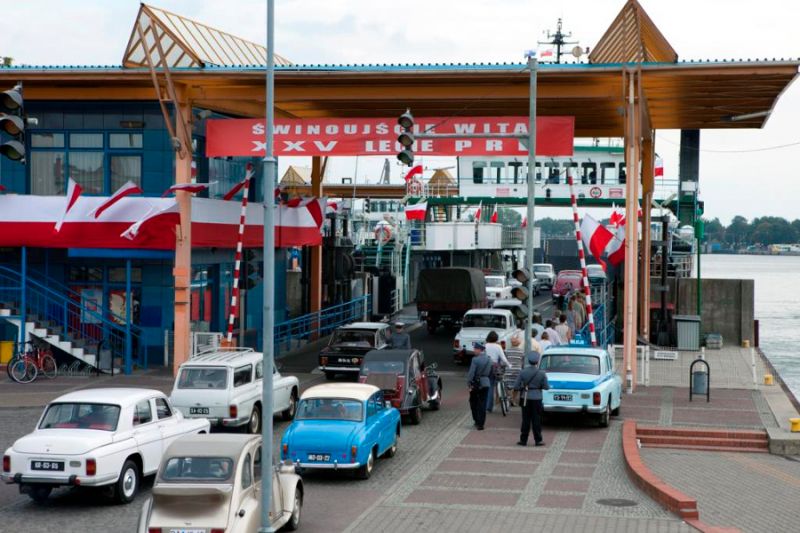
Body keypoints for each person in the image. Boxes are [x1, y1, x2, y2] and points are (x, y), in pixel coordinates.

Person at [513, 351, 550, 447]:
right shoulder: (542, 373)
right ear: (537, 361)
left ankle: (523, 440)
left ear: (528, 361)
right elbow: (546, 387)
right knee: (536, 419)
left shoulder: (523, 372)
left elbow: (516, 386)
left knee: (525, 419)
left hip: (525, 397)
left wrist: (523, 386)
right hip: (537, 398)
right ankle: (538, 440)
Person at [466, 342, 492, 430]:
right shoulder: (489, 359)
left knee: (473, 402)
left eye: (475, 349)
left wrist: (469, 383)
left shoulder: (475, 360)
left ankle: (476, 420)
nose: (474, 350)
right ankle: (481, 423)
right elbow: (491, 372)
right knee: (483, 403)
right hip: (486, 383)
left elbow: (471, 373)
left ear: (480, 350)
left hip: (476, 384)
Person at [484, 331, 510, 412]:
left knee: (487, 386)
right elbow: (503, 358)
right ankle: (497, 401)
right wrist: (509, 365)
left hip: (486, 367)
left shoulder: (485, 346)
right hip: (495, 368)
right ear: (496, 338)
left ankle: (487, 406)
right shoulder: (498, 346)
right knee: (494, 384)